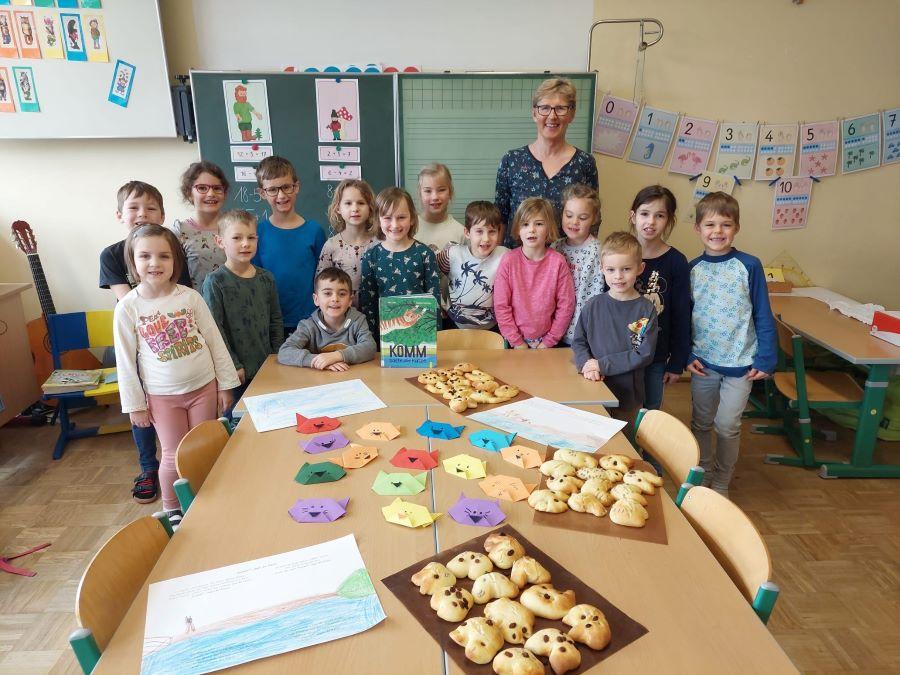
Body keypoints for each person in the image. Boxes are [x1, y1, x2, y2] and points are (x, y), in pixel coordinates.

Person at [113, 224, 240, 527]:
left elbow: (214, 340)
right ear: (133, 261)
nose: (154, 263)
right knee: (172, 453)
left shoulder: (190, 298)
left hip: (203, 387)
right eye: (145, 256)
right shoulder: (128, 307)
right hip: (161, 396)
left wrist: (225, 385)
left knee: (203, 448)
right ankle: (173, 510)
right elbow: (125, 362)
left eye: (163, 256)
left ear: (175, 262)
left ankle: (209, 499)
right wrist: (135, 405)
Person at [98, 181, 191, 505]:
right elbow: (133, 303)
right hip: (139, 345)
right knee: (141, 408)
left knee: (171, 415)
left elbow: (181, 296)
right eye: (134, 208)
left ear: (162, 215)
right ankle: (148, 468)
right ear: (120, 214)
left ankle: (187, 467)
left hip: (173, 344)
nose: (142, 214)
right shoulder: (111, 255)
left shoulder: (171, 250)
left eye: (151, 208)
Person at [688, 192, 777, 497]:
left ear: (736, 227)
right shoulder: (693, 269)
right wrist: (687, 353)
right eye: (710, 224)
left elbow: (763, 313)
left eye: (725, 224)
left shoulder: (749, 265)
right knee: (700, 423)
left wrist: (766, 357)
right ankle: (702, 474)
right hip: (703, 363)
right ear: (697, 228)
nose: (717, 231)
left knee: (727, 425)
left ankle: (722, 481)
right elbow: (684, 317)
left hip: (741, 363)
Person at [494, 77, 598, 247]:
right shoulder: (512, 161)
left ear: (571, 113)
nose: (552, 116)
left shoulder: (584, 164)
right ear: (534, 113)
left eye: (560, 108)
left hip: (566, 267)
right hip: (517, 265)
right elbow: (499, 219)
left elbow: (593, 220)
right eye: (544, 108)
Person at [572, 232, 658, 425]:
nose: (618, 276)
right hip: (593, 387)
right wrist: (586, 364)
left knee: (625, 445)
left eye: (626, 269)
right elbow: (579, 342)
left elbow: (644, 353)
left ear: (640, 268)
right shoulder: (592, 305)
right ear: (602, 269)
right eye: (611, 270)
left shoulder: (646, 309)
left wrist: (602, 364)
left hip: (629, 395)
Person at [202, 210, 283, 413]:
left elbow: (275, 319)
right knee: (238, 422)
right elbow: (214, 331)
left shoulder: (266, 278)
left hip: (267, 367)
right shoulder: (215, 282)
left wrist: (278, 355)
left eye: (251, 238)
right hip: (235, 372)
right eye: (237, 238)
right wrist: (232, 366)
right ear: (220, 241)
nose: (245, 243)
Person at [629, 185, 691, 410]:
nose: (651, 222)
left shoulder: (676, 261)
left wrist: (676, 363)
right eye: (645, 214)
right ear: (633, 216)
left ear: (669, 220)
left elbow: (682, 314)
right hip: (620, 354)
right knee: (619, 412)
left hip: (656, 355)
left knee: (650, 413)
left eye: (660, 216)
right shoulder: (618, 253)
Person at [252, 156, 325, 340]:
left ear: (296, 187)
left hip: (311, 321)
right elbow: (254, 279)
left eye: (286, 187)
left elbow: (322, 277)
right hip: (271, 321)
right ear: (262, 193)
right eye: (272, 190)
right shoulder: (257, 233)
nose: (281, 195)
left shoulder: (314, 231)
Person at [493, 197, 575, 349]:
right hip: (513, 342)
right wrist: (517, 342)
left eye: (538, 224)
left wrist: (549, 341)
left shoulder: (558, 262)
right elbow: (501, 305)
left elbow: (566, 306)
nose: (531, 229)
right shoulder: (509, 261)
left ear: (549, 228)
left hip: (549, 343)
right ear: (518, 229)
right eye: (525, 224)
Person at [358, 187, 441, 337]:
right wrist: (369, 341)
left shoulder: (425, 254)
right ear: (378, 219)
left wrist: (435, 338)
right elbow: (367, 303)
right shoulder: (371, 256)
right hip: (384, 337)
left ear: (412, 218)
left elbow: (434, 301)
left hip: (421, 338)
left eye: (401, 217)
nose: (395, 225)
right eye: (388, 218)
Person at [277, 267, 377, 370]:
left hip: (351, 378)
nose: (335, 299)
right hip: (319, 380)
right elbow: (285, 352)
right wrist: (318, 360)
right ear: (316, 299)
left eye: (342, 294)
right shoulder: (308, 326)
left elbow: (370, 347)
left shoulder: (358, 320)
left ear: (350, 300)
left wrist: (337, 356)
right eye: (327, 293)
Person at [436, 201, 508, 330]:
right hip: (455, 326)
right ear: (467, 232)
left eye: (492, 232)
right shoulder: (452, 254)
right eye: (479, 231)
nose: (486, 239)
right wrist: (441, 304)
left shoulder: (505, 256)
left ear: (499, 231)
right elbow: (430, 272)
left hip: (493, 328)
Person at [551, 184, 605, 345]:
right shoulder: (555, 247)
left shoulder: (597, 251)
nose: (574, 222)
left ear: (594, 218)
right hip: (552, 329)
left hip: (580, 331)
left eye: (582, 218)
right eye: (569, 215)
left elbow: (597, 295)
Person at [316, 178, 378, 307]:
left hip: (378, 314)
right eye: (348, 203)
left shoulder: (380, 244)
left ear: (370, 208)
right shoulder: (331, 246)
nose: (355, 208)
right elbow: (321, 285)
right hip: (343, 317)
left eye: (361, 203)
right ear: (338, 208)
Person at [170, 161, 229, 291]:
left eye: (217, 188)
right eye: (202, 188)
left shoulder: (236, 226)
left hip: (235, 304)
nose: (211, 194)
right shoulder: (179, 232)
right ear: (189, 193)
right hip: (197, 306)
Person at [416, 163, 464, 252]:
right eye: (428, 191)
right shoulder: (408, 228)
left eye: (441, 190)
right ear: (420, 193)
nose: (435, 197)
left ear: (450, 192)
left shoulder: (461, 233)